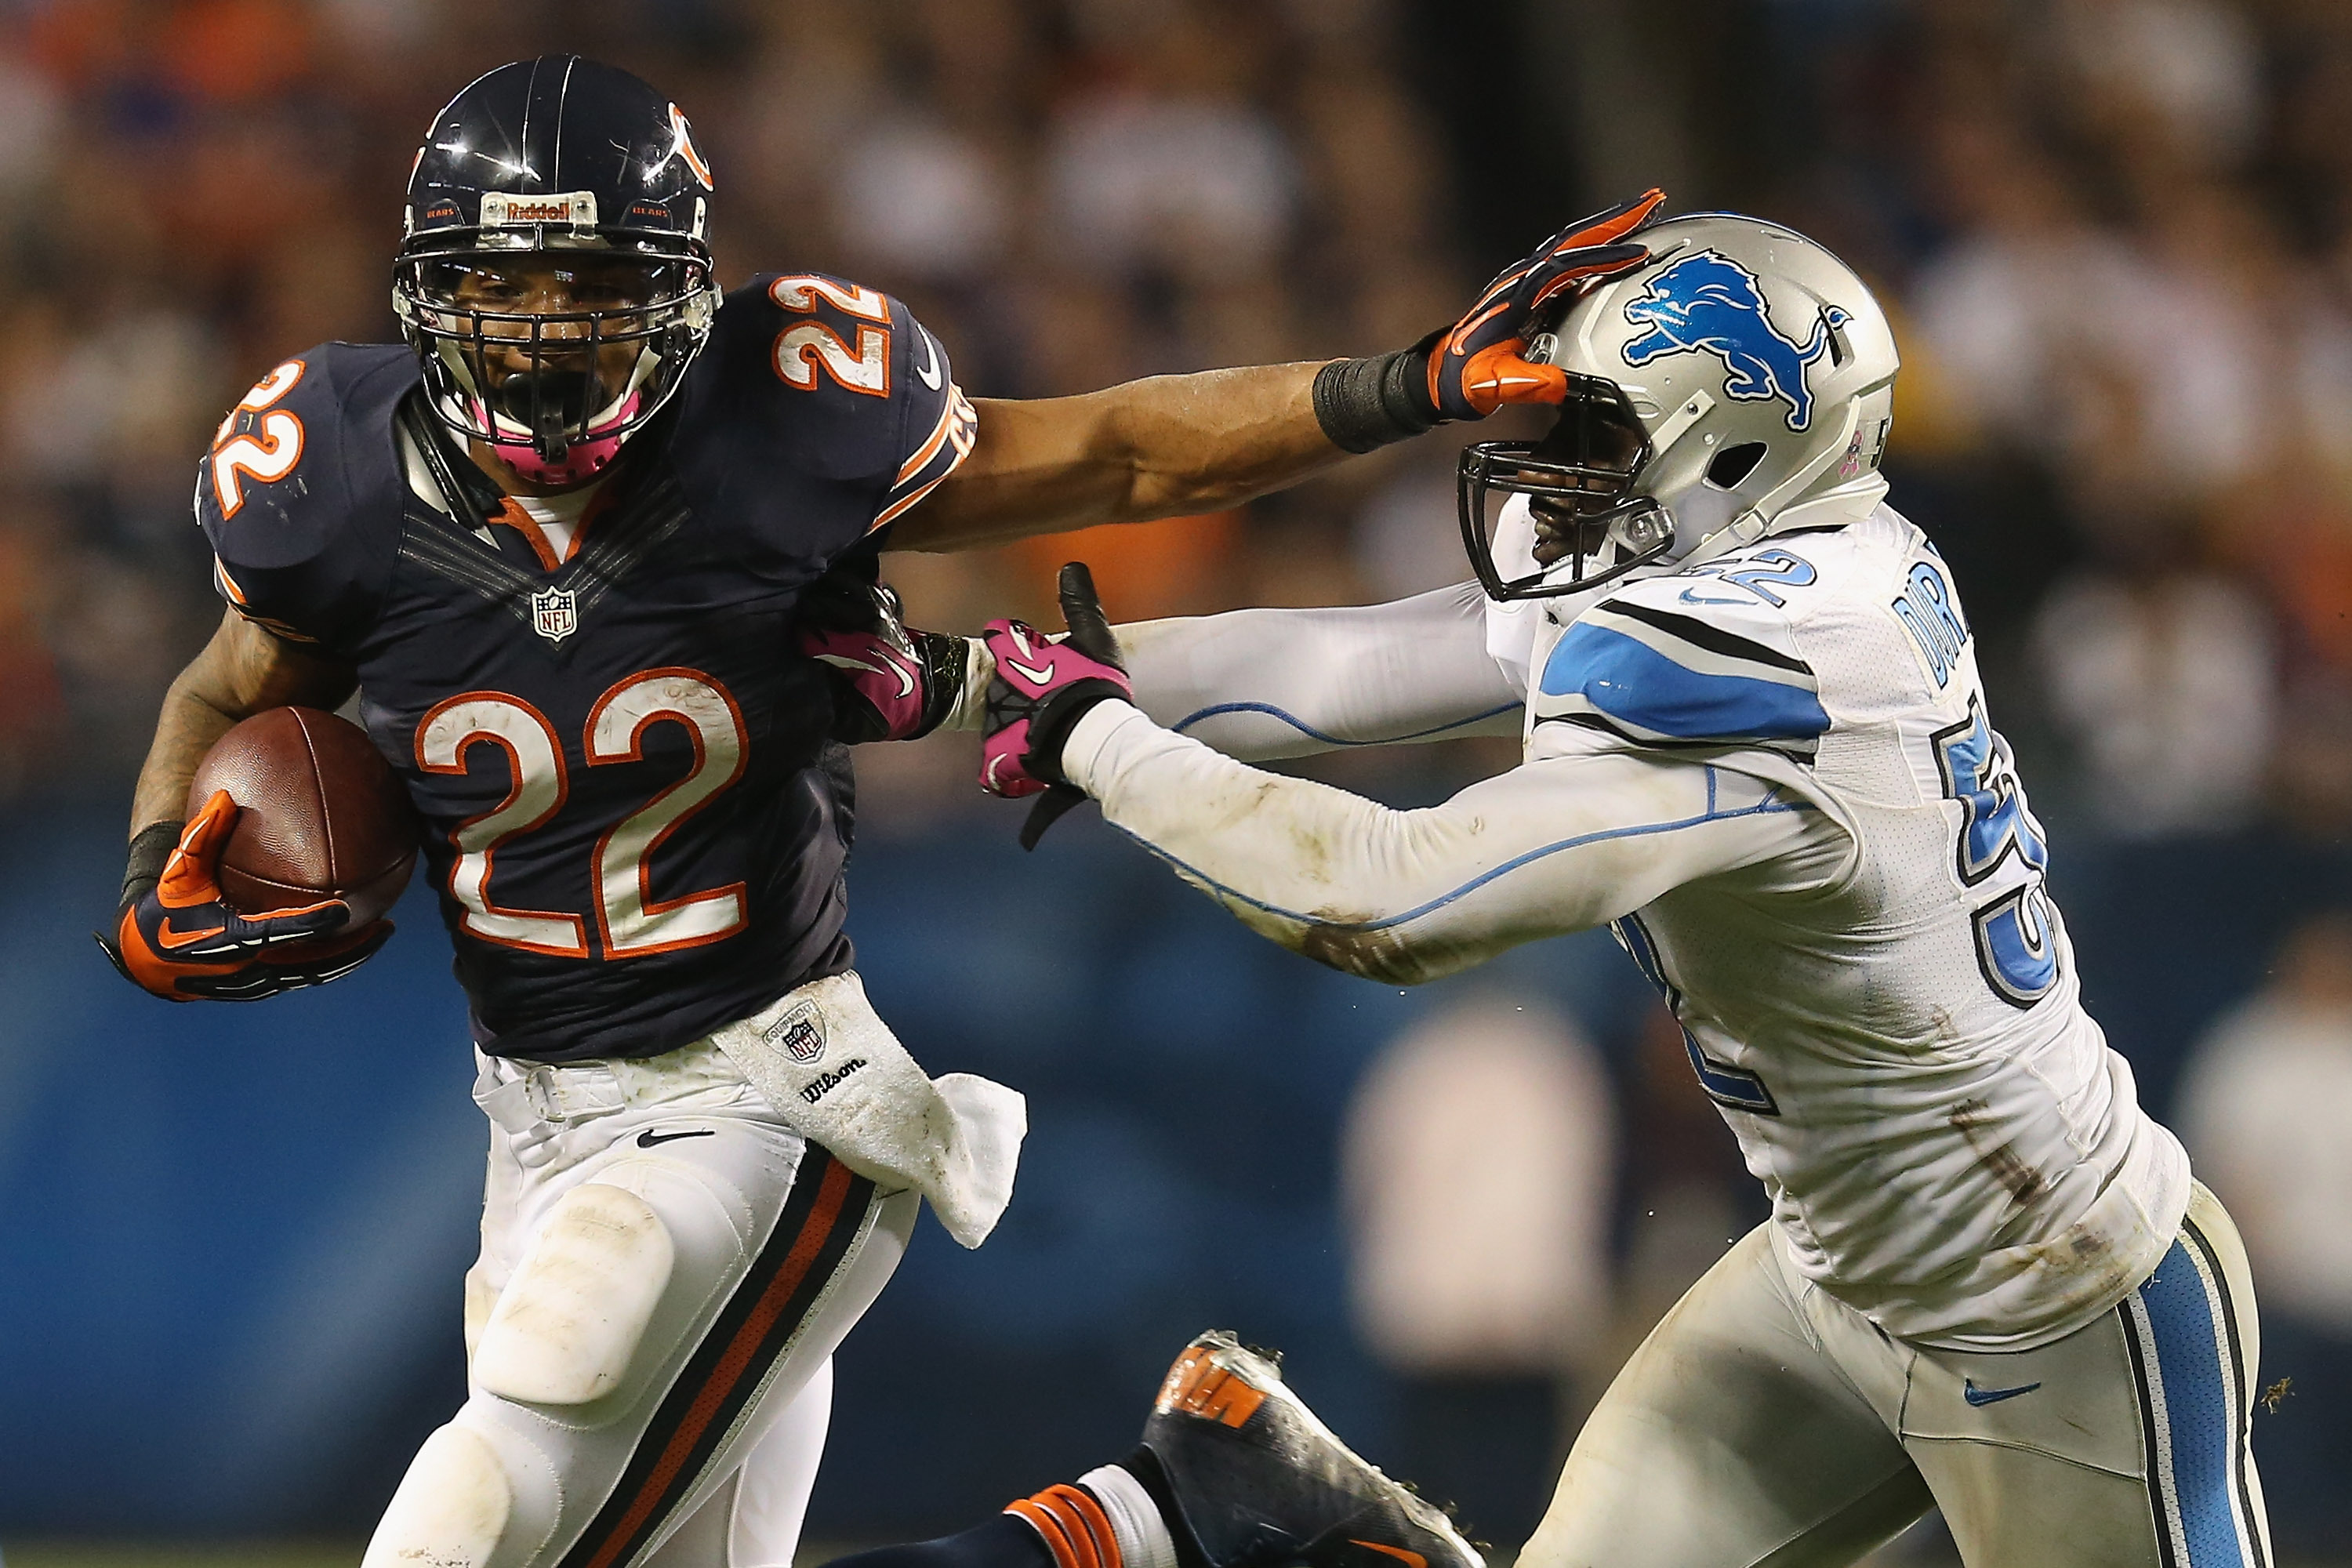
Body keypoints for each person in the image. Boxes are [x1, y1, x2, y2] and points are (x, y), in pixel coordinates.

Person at [93, 53, 1646, 1568]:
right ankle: (1177, 1509)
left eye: (597, 284)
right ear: (434, 285)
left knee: (477, 1514)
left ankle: (1178, 1508)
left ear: (687, 282)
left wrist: (1403, 385)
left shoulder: (787, 410)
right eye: (513, 283)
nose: (555, 331)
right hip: (535, 1116)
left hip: (763, 1096)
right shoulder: (336, 481)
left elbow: (1112, 447)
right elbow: (221, 688)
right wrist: (167, 858)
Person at [884, 210, 2274, 1566]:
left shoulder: (1769, 656)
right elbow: (1342, 666)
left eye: (1597, 431)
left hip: (2057, 1306)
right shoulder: (1773, 557)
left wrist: (1102, 744)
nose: (1549, 467)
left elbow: (1388, 907)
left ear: (1737, 439)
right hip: (1838, 1274)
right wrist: (963, 681)